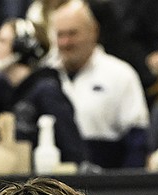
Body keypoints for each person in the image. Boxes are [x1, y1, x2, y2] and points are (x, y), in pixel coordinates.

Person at [48, 0, 149, 169]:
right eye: (60, 35)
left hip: (107, 182)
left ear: (93, 31)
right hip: (51, 185)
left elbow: (137, 141)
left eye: (72, 33)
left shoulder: (120, 74)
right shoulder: (44, 76)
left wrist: (127, 187)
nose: (65, 43)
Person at [0, 17, 87, 165]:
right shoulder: (15, 94)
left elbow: (73, 151)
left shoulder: (46, 90)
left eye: (1, 41)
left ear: (22, 46)